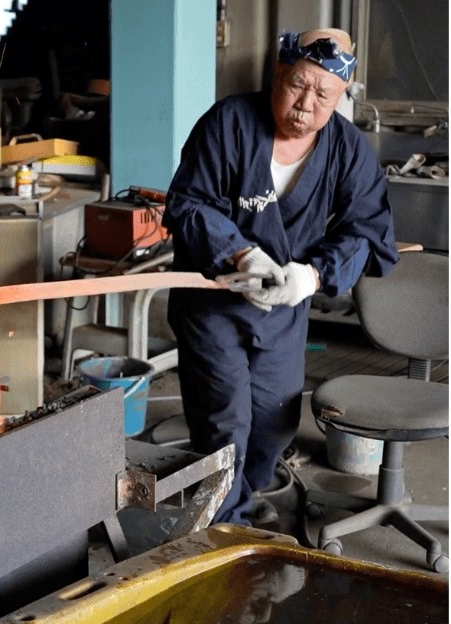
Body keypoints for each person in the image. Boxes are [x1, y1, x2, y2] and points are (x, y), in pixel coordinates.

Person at [164, 28, 398, 526]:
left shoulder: (347, 149)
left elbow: (367, 232)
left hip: (285, 307)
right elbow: (189, 205)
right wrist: (242, 254)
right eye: (298, 85)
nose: (306, 104)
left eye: (323, 95)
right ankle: (228, 530)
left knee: (275, 423)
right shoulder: (228, 123)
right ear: (278, 74)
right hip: (214, 304)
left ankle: (241, 500)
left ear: (340, 96)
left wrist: (311, 278)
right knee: (224, 423)